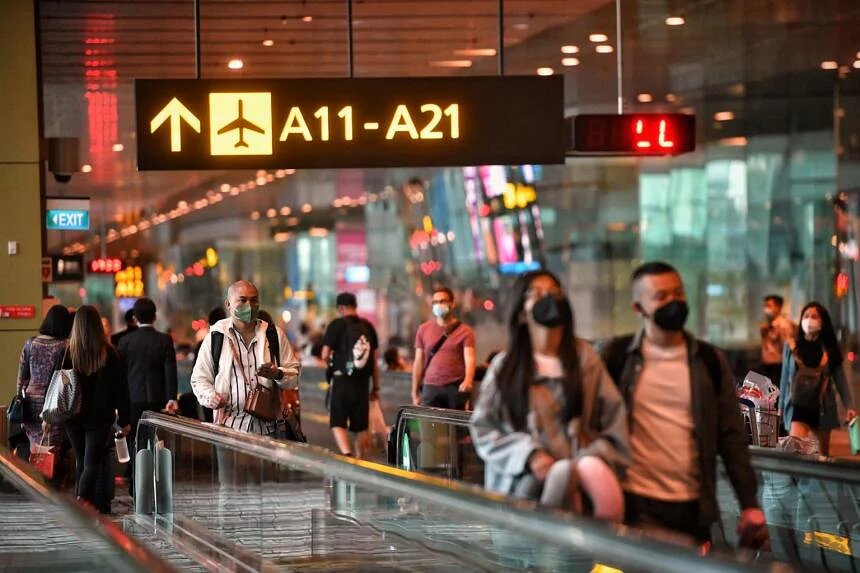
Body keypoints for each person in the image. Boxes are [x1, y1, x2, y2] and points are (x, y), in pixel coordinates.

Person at [601, 261, 767, 548]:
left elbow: (731, 437)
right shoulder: (618, 357)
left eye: (678, 293)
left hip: (692, 505)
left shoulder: (710, 361)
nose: (673, 302)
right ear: (638, 309)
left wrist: (749, 503)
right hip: (634, 500)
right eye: (661, 297)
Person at [470, 271, 628, 520]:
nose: (549, 299)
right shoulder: (506, 367)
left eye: (555, 293)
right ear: (521, 312)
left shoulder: (585, 360)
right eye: (537, 293)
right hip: (518, 497)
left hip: (581, 500)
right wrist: (528, 455)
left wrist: (591, 460)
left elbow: (614, 420)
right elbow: (483, 428)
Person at [190, 280, 300, 436]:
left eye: (254, 300)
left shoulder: (273, 334)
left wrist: (278, 374)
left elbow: (294, 375)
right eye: (242, 300)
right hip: (228, 428)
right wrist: (210, 396)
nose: (249, 305)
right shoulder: (216, 337)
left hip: (269, 429)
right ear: (228, 304)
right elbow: (199, 378)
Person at [59, 305, 130, 512]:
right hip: (99, 418)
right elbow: (121, 390)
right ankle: (81, 501)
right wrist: (125, 420)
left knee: (82, 459)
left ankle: (82, 502)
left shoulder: (69, 352)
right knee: (91, 461)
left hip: (73, 416)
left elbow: (59, 383)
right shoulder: (110, 353)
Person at [779, 302, 856, 456]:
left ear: (822, 322)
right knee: (796, 452)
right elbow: (785, 376)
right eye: (806, 316)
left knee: (822, 456)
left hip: (822, 408)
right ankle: (800, 480)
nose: (809, 319)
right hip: (797, 407)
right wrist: (780, 406)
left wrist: (849, 406)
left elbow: (840, 380)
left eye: (814, 316)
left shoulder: (829, 350)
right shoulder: (791, 346)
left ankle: (819, 480)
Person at [117, 298, 178, 493]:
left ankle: (137, 486)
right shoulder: (164, 340)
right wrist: (171, 398)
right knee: (156, 441)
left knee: (137, 441)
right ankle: (156, 484)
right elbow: (170, 371)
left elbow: (120, 375)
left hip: (133, 400)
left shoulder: (125, 342)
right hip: (158, 400)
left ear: (134, 318)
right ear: (155, 317)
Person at [16, 305, 73, 484]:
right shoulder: (64, 347)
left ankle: (36, 486)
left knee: (37, 447)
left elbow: (21, 378)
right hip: (52, 404)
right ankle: (49, 490)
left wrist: (20, 401)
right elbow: (64, 381)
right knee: (52, 450)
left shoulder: (30, 343)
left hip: (30, 404)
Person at [321, 292, 380, 458]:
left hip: (341, 381)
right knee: (361, 426)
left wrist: (333, 364)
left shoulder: (336, 325)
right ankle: (361, 459)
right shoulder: (368, 327)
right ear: (355, 306)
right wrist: (375, 387)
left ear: (341, 308)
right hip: (362, 382)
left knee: (337, 421)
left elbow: (325, 354)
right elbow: (374, 362)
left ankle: (347, 455)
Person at [411, 287, 476, 410]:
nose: (439, 305)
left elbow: (470, 359)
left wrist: (468, 380)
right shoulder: (423, 329)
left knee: (456, 428)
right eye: (435, 302)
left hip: (455, 387)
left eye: (443, 301)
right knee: (431, 427)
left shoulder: (465, 332)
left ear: (452, 303)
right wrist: (414, 392)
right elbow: (418, 361)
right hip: (430, 387)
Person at [759, 295, 796, 388]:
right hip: (767, 365)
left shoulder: (783, 325)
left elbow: (787, 348)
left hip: (778, 367)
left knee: (776, 394)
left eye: (769, 306)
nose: (766, 309)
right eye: (765, 306)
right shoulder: (767, 324)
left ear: (778, 307)